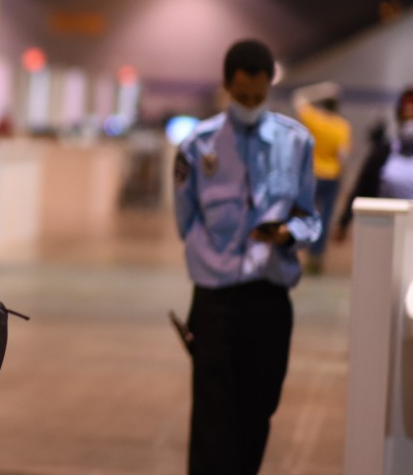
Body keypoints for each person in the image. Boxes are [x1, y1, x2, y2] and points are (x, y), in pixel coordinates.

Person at [173, 39, 322, 475]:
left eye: (259, 97)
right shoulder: (197, 147)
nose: (251, 105)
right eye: (242, 97)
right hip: (216, 299)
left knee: (259, 410)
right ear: (226, 86)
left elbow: (310, 217)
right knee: (213, 418)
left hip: (270, 297)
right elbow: (186, 219)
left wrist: (287, 233)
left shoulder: (297, 143)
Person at [336, 87, 413, 239]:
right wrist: (344, 221)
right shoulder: (383, 153)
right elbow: (362, 186)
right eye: (407, 117)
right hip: (386, 230)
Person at [290, 81, 351, 272]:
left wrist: (319, 89)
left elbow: (297, 98)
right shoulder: (342, 127)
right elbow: (343, 156)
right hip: (332, 176)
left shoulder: (315, 120)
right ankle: (317, 256)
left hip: (313, 175)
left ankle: (305, 249)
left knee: (308, 214)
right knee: (325, 217)